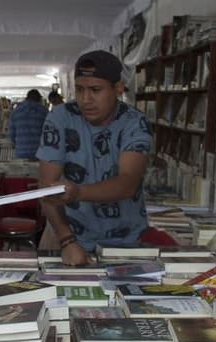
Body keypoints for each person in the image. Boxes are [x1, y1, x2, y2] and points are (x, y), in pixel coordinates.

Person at [36, 50, 155, 266]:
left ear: (118, 88)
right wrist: (67, 240)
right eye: (80, 89)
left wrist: (78, 192)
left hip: (125, 242)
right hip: (67, 234)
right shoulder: (60, 117)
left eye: (95, 90)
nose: (85, 99)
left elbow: (127, 183)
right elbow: (47, 188)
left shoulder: (135, 123)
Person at [7, 89, 48, 160]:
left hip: (21, 152)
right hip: (40, 153)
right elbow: (49, 134)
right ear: (39, 99)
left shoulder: (16, 111)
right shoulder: (44, 112)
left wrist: (20, 144)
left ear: (26, 98)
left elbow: (11, 135)